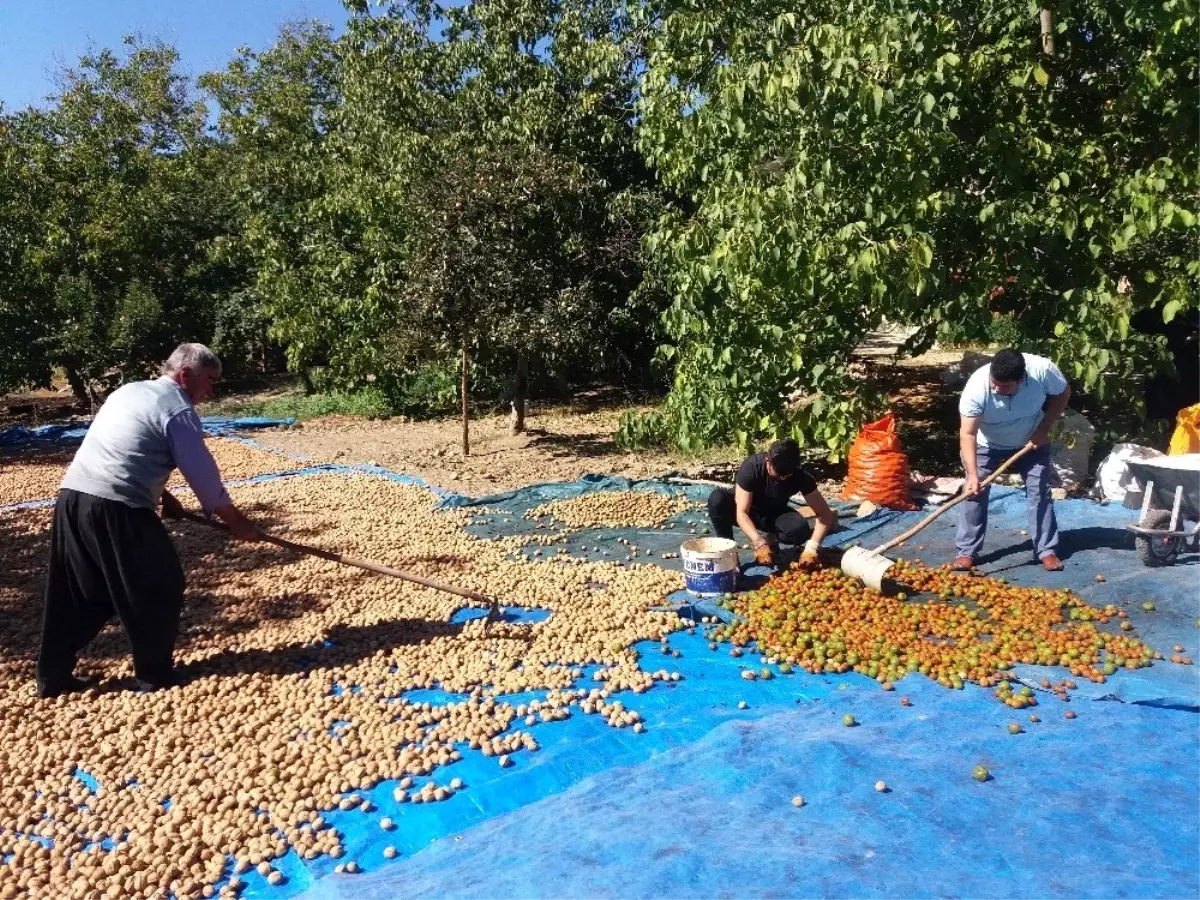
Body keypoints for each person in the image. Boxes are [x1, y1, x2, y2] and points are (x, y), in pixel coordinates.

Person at [36, 343, 260, 698]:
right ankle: (154, 675)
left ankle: (52, 675)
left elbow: (125, 448)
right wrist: (237, 522)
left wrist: (162, 497)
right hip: (116, 506)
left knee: (81, 591)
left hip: (74, 498)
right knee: (160, 583)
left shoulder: (130, 391)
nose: (211, 389)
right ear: (186, 375)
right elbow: (203, 475)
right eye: (209, 380)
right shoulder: (178, 410)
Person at [954, 348, 1072, 573]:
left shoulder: (1043, 371)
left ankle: (1046, 550)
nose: (997, 389)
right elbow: (967, 433)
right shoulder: (977, 387)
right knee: (973, 492)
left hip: (1031, 438)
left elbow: (1063, 393)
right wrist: (972, 475)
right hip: (986, 443)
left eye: (1005, 386)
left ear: (1022, 379)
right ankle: (966, 551)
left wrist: (1043, 430)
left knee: (1039, 490)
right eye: (994, 383)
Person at [708, 438, 838, 568]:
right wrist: (758, 542)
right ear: (767, 461)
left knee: (799, 531)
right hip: (746, 510)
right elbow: (742, 513)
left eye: (786, 477)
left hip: (773, 512)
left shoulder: (800, 476)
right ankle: (729, 555)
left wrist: (812, 548)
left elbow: (825, 514)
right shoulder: (752, 468)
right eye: (776, 475)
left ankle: (772, 540)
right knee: (717, 499)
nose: (781, 479)